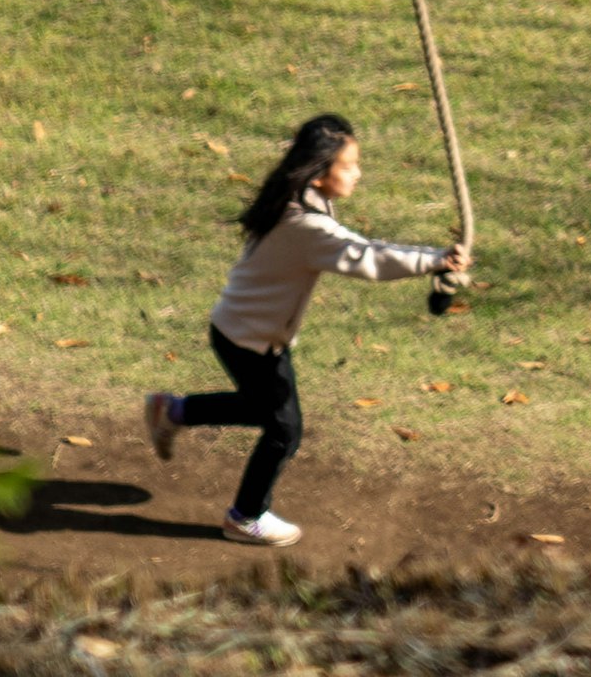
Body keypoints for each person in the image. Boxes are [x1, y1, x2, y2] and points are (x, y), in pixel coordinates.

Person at [139, 113, 471, 546]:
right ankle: (245, 516)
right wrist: (433, 259)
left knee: (262, 409)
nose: (358, 173)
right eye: (348, 165)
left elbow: (359, 247)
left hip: (241, 330)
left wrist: (434, 258)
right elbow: (364, 257)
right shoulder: (306, 226)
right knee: (283, 428)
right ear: (318, 174)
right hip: (251, 341)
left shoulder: (296, 200)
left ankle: (175, 412)